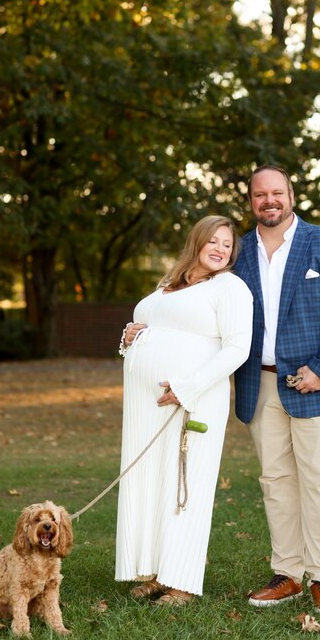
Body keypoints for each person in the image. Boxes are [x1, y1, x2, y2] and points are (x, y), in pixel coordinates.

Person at [233, 165, 320, 614]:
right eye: (259, 195)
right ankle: (287, 573)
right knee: (276, 482)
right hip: (259, 381)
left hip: (316, 384)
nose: (268, 200)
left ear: (291, 194)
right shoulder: (238, 252)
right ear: (250, 201)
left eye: (276, 192)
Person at [115, 215, 253, 606]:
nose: (220, 249)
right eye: (214, 241)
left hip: (194, 398)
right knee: (152, 482)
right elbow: (149, 327)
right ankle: (158, 570)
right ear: (197, 242)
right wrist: (131, 336)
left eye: (227, 245)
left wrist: (186, 387)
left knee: (184, 485)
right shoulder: (167, 283)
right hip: (148, 405)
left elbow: (236, 349)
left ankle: (183, 582)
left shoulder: (230, 288)